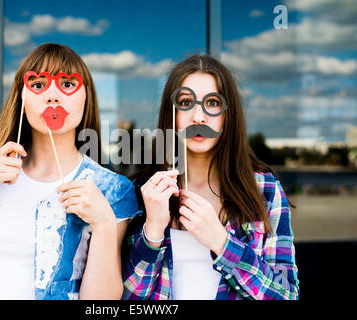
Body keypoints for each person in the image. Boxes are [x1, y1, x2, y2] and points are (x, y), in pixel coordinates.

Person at [0, 43, 141, 300]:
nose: (52, 95)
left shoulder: (111, 189)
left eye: (68, 84)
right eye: (38, 85)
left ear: (86, 96)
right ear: (21, 98)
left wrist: (104, 224)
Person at [121, 54, 300, 300]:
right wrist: (152, 232)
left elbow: (285, 295)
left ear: (229, 114)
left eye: (213, 103)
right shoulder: (143, 191)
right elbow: (128, 299)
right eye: (185, 102)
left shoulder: (264, 189)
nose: (198, 117)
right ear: (171, 113)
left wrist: (222, 242)